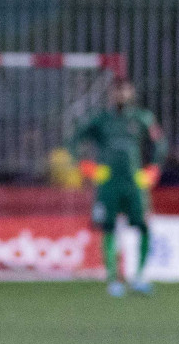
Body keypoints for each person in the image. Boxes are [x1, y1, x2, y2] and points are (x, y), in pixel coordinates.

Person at [68, 78, 167, 297]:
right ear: (112, 94)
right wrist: (87, 167)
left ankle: (139, 276)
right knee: (109, 227)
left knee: (143, 226)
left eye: (125, 90)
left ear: (131, 93)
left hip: (134, 182)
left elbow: (160, 144)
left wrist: (153, 169)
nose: (121, 95)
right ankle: (113, 279)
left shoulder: (143, 118)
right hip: (109, 183)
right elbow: (74, 139)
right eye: (117, 91)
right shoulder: (101, 119)